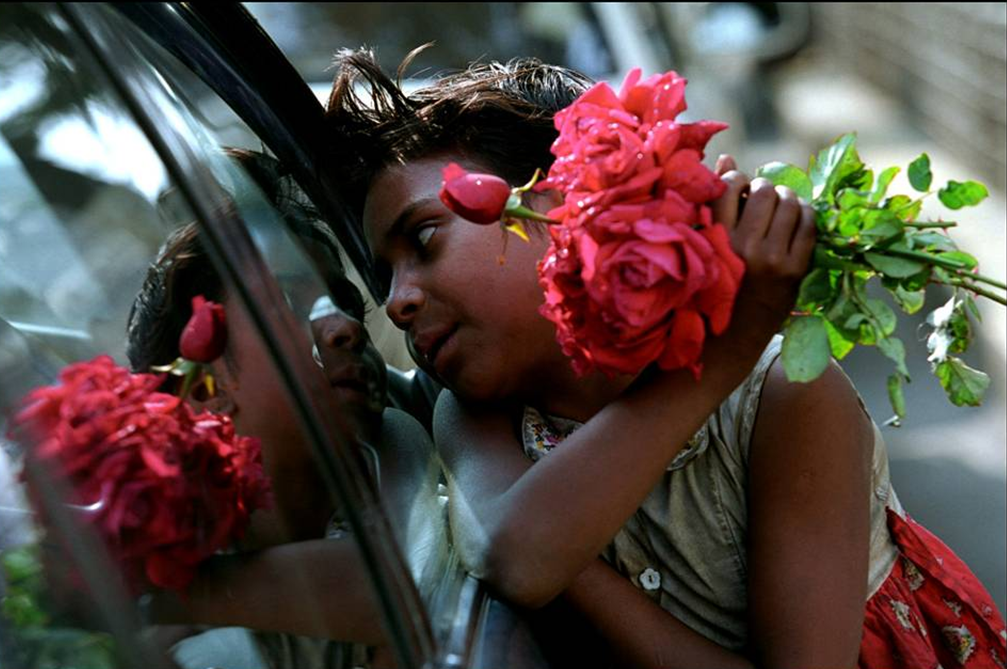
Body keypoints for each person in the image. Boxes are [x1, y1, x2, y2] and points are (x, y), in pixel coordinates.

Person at [323, 49, 1007, 669]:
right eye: (384, 275)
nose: (396, 302)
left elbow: (526, 556)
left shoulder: (781, 393)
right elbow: (517, 555)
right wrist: (719, 356)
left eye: (423, 238)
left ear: (568, 206)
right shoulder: (472, 415)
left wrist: (731, 354)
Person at [126, 150, 444, 668]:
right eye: (295, 306)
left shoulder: (398, 440)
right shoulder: (207, 644)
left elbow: (390, 585)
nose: (347, 327)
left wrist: (158, 595)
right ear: (204, 391)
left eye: (344, 302)